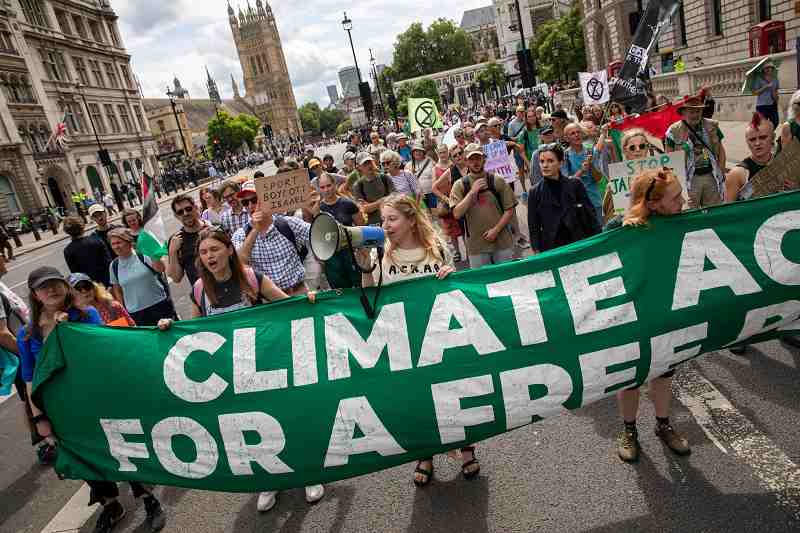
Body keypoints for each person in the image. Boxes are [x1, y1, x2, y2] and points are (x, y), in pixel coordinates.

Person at [156, 226, 324, 512]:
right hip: (229, 375)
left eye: (215, 249)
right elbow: (193, 332)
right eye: (204, 251)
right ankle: (270, 479)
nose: (210, 256)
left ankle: (309, 472)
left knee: (286, 418)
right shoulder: (199, 290)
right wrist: (169, 328)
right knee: (253, 426)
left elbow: (288, 305)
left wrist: (307, 300)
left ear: (229, 250)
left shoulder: (252, 278)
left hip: (266, 364)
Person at [17, 266, 166, 533]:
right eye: (43, 286)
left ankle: (147, 498)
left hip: (99, 399)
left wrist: (68, 329)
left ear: (65, 287)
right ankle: (110, 505)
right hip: (63, 410)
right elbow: (30, 380)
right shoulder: (27, 334)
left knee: (123, 450)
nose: (51, 290)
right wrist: (39, 418)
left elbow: (102, 354)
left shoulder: (87, 315)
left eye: (55, 283)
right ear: (35, 294)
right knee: (85, 456)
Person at [360, 194, 479, 485]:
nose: (385, 226)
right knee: (418, 401)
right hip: (404, 343)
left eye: (392, 219)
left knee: (454, 393)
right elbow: (369, 296)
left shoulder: (436, 247)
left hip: (441, 339)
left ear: (411, 220)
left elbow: (455, 289)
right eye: (383, 220)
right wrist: (364, 266)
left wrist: (451, 274)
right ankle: (425, 454)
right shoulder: (380, 254)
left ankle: (467, 449)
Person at [603, 168, 690, 463]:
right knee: (631, 377)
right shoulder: (618, 228)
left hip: (666, 313)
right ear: (653, 204)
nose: (682, 201)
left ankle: (663, 425)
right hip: (631, 318)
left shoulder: (680, 221)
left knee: (664, 371)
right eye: (676, 197)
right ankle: (629, 431)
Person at [232, 181, 312, 295]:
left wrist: (315, 211)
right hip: (270, 300)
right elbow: (239, 263)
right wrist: (255, 230)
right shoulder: (240, 235)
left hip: (298, 293)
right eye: (245, 203)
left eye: (254, 200)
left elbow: (319, 235)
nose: (250, 206)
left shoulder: (289, 224)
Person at [450, 143, 516, 268]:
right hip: (476, 247)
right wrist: (472, 192)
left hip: (502, 242)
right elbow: (457, 214)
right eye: (471, 159)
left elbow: (509, 209)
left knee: (507, 280)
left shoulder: (497, 180)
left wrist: (495, 230)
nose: (475, 162)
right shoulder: (460, 185)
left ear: (484, 159)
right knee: (483, 283)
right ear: (466, 161)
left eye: (478, 158)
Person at [528, 143, 600, 252]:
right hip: (553, 249)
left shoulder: (575, 184)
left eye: (550, 161)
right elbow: (534, 227)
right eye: (542, 161)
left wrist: (598, 241)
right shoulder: (534, 192)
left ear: (560, 163)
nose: (545, 165)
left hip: (580, 244)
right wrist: (537, 251)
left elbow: (591, 216)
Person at [665, 95, 726, 208]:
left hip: (711, 176)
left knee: (714, 212)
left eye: (698, 111)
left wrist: (721, 170)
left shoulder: (712, 126)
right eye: (691, 111)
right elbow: (668, 159)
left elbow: (721, 151)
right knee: (690, 214)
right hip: (689, 180)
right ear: (683, 113)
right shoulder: (673, 131)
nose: (695, 114)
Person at [108, 228, 176, 326]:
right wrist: (123, 311)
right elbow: (117, 290)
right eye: (113, 244)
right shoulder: (113, 266)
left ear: (128, 242)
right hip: (136, 313)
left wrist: (154, 255)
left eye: (119, 242)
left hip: (160, 305)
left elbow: (161, 269)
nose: (116, 247)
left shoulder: (143, 256)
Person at [601, 128, 651, 222]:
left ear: (647, 148)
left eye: (642, 146)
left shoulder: (660, 175)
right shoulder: (615, 185)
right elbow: (609, 219)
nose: (638, 150)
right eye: (632, 147)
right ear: (625, 151)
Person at [562, 122, 603, 223]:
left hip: (594, 200)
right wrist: (582, 170)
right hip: (577, 202)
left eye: (578, 132)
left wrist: (591, 165)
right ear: (567, 138)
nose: (576, 135)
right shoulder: (565, 156)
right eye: (572, 133)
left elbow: (598, 178)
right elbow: (566, 183)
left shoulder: (590, 151)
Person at [166, 194, 208, 288]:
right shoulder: (176, 240)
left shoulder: (213, 228)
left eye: (188, 209)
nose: (185, 213)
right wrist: (172, 252)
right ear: (176, 216)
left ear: (195, 208)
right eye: (180, 212)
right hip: (203, 295)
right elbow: (176, 278)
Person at [69, 272, 135, 326]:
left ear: (94, 287)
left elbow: (132, 327)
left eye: (87, 286)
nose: (84, 291)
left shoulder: (113, 306)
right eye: (78, 289)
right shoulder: (76, 319)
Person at [63, 216, 112, 287]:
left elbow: (76, 274)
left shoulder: (68, 250)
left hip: (89, 286)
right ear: (83, 227)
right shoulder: (96, 240)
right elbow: (108, 262)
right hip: (107, 281)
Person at [353, 152, 394, 226]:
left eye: (370, 162)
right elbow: (363, 209)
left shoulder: (385, 178)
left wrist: (371, 205)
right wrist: (382, 201)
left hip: (391, 219)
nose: (369, 166)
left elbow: (395, 199)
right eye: (365, 164)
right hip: (374, 225)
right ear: (359, 167)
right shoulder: (358, 185)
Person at [407, 142, 435, 209]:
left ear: (423, 152)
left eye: (420, 151)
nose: (417, 153)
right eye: (416, 151)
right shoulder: (408, 165)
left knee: (434, 212)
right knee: (423, 213)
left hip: (431, 192)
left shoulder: (430, 161)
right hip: (418, 195)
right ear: (412, 153)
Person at [752, 63, 780, 128]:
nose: (769, 69)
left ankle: (769, 134)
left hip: (773, 104)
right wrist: (765, 87)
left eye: (770, 67)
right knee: (761, 124)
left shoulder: (775, 79)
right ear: (763, 70)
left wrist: (776, 98)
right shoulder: (759, 79)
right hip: (762, 106)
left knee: (775, 122)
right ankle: (766, 136)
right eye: (766, 68)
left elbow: (776, 91)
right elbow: (755, 92)